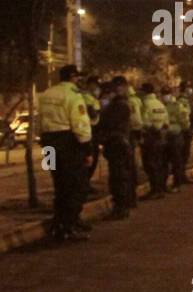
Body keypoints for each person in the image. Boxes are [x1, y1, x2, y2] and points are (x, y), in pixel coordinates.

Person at [37, 64, 92, 242]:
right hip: (68, 144)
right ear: (74, 78)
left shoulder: (46, 94)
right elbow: (80, 124)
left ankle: (59, 222)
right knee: (75, 185)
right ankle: (67, 227)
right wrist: (87, 148)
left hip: (49, 144)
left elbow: (40, 119)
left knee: (58, 183)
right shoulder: (73, 96)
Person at [100, 76, 134, 220]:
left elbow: (110, 124)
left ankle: (121, 207)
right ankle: (123, 205)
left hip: (117, 144)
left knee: (118, 177)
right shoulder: (120, 104)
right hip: (118, 143)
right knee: (120, 175)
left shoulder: (119, 105)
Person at [138, 82, 170, 199]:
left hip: (149, 139)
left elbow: (143, 122)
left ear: (144, 92)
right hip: (161, 139)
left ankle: (155, 189)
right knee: (159, 163)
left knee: (150, 165)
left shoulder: (145, 104)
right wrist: (161, 130)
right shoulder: (160, 104)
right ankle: (160, 189)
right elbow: (166, 122)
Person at [160, 84, 188, 190]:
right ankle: (163, 184)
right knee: (163, 162)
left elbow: (184, 120)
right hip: (164, 136)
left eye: (167, 94)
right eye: (164, 94)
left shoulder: (177, 105)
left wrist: (183, 129)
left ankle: (177, 183)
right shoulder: (160, 105)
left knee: (176, 161)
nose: (165, 96)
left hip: (175, 135)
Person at [176, 81, 193, 182]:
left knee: (185, 154)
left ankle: (182, 175)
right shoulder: (181, 100)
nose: (189, 89)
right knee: (181, 154)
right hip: (183, 130)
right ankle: (180, 176)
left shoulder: (188, 100)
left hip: (188, 130)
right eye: (188, 87)